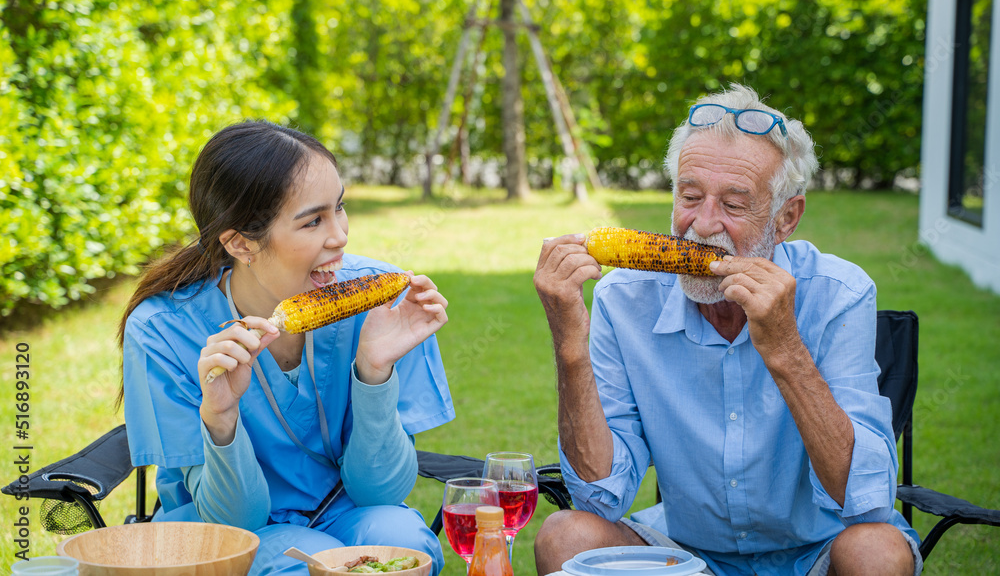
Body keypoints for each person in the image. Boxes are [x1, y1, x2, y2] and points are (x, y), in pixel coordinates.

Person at [532, 84, 922, 576]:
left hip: (819, 552)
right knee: (567, 536)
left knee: (877, 551)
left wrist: (784, 349)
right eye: (690, 196)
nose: (703, 225)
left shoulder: (839, 295)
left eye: (735, 206)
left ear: (786, 218)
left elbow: (865, 501)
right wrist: (569, 342)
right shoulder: (623, 297)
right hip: (684, 555)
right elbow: (598, 496)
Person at [117, 121, 454, 576]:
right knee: (304, 560)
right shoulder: (161, 331)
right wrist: (221, 418)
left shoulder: (385, 304)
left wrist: (374, 373)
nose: (340, 236)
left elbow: (382, 492)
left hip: (348, 511)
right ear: (240, 243)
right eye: (313, 221)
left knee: (404, 541)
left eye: (340, 208)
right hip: (224, 534)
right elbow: (233, 521)